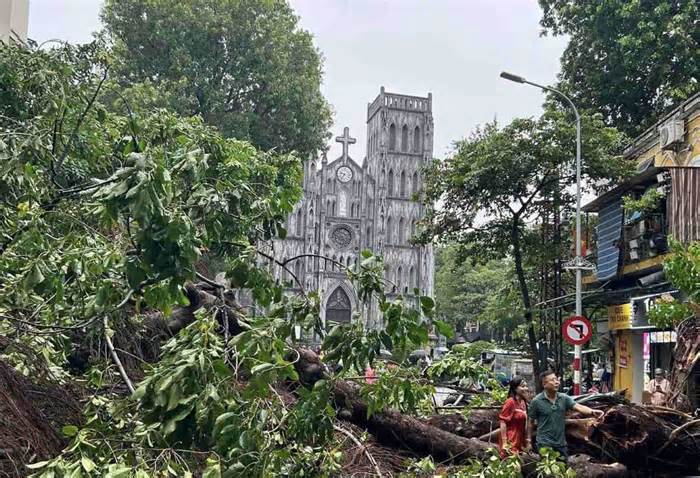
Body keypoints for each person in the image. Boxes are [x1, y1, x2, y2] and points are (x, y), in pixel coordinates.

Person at [528, 370, 604, 461]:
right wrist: (528, 441)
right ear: (544, 384)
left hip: (561, 444)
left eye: (556, 379)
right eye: (552, 380)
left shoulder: (563, 398)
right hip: (544, 444)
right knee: (548, 472)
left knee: (563, 470)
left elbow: (578, 406)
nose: (556, 382)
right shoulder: (536, 401)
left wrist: (592, 411)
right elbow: (530, 422)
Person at [498, 376, 530, 458]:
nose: (526, 388)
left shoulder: (523, 403)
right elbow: (503, 422)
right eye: (523, 386)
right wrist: (505, 443)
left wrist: (527, 441)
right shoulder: (510, 402)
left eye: (526, 386)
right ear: (515, 388)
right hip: (510, 441)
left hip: (519, 441)